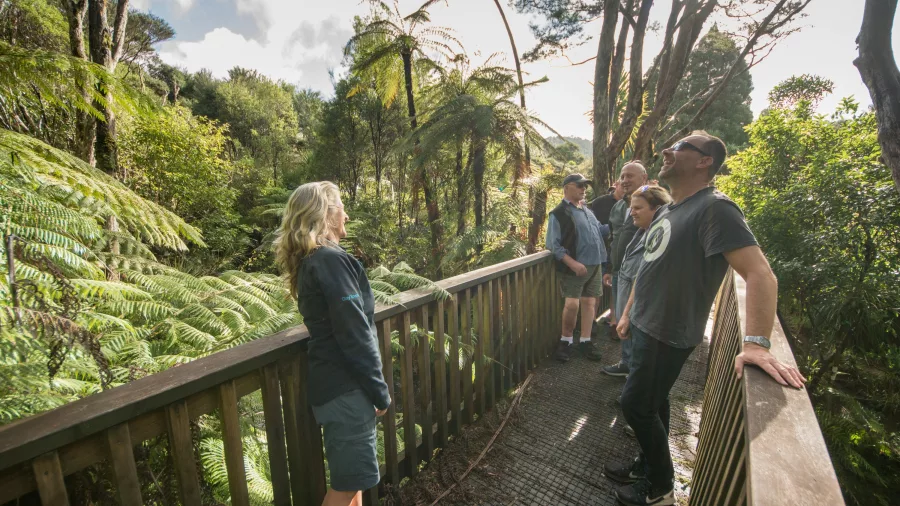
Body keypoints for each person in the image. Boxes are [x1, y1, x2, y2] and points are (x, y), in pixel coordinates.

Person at [604, 132, 806, 506]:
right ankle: (646, 466)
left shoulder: (716, 208)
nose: (667, 150)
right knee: (654, 403)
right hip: (646, 324)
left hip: (669, 332)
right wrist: (630, 312)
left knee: (634, 405)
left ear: (704, 161)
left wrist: (756, 345)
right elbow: (649, 266)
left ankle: (661, 490)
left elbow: (761, 274)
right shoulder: (670, 208)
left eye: (679, 147)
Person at [273, 181, 391, 506]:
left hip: (336, 389)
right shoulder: (329, 261)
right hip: (346, 390)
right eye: (341, 206)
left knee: (353, 482)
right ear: (325, 213)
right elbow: (354, 332)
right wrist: (379, 390)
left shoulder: (316, 260)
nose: (347, 215)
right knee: (346, 487)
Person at [545, 173, 610, 362]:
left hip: (596, 263)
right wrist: (572, 263)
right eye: (579, 185)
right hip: (575, 267)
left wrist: (619, 221)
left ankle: (585, 341)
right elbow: (553, 245)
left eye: (585, 186)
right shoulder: (558, 213)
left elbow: (600, 230)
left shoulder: (587, 210)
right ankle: (565, 341)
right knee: (572, 304)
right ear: (566, 187)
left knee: (590, 303)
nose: (583, 189)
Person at [601, 162, 648, 374]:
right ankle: (627, 363)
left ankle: (636, 368)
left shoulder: (653, 205)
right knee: (621, 318)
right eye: (622, 176)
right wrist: (610, 268)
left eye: (630, 176)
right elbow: (613, 238)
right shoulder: (619, 207)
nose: (625, 180)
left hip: (639, 273)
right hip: (620, 272)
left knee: (635, 320)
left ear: (644, 179)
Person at [589, 182, 624, 330]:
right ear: (616, 184)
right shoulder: (599, 202)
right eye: (623, 180)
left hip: (621, 252)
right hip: (600, 253)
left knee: (616, 289)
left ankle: (614, 321)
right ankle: (592, 324)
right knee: (596, 291)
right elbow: (592, 225)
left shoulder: (632, 202)